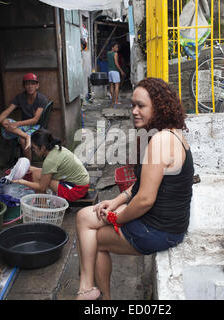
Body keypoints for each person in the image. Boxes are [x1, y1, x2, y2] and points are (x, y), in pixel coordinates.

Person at [75, 78, 194, 300]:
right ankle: (89, 288)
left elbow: (145, 199)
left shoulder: (160, 141)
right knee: (85, 218)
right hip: (167, 226)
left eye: (141, 105)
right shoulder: (170, 134)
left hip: (160, 230)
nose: (135, 111)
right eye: (133, 105)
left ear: (158, 107)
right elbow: (142, 183)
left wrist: (116, 218)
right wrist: (117, 201)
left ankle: (91, 291)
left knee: (93, 238)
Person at [12, 129, 90, 202]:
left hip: (76, 190)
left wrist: (21, 182)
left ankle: (42, 209)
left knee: (36, 175)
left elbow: (41, 187)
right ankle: (42, 206)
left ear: (42, 148)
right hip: (81, 183)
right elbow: (46, 171)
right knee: (35, 171)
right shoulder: (56, 148)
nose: (33, 151)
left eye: (34, 148)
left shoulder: (50, 160)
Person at [0, 73, 49, 161]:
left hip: (36, 126)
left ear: (37, 86)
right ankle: (26, 136)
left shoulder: (41, 99)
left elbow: (35, 120)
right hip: (23, 126)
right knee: (4, 122)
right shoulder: (20, 97)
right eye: (27, 84)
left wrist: (16, 124)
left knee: (23, 141)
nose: (30, 86)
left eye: (33, 84)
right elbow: (7, 112)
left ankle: (28, 167)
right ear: (24, 86)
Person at [107, 42, 125, 107]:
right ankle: (116, 101)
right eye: (116, 47)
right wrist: (121, 71)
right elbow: (116, 64)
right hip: (115, 71)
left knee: (111, 85)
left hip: (110, 71)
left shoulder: (108, 53)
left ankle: (113, 101)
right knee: (117, 85)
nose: (117, 48)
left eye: (117, 47)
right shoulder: (115, 54)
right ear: (112, 47)